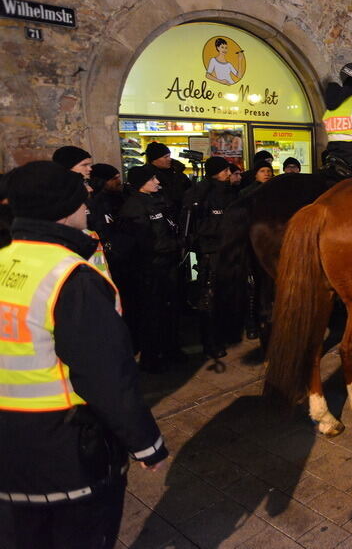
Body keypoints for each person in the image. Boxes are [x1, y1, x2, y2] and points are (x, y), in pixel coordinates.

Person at [0, 161, 168, 549]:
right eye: (81, 199)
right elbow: (107, 376)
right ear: (63, 209)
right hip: (64, 451)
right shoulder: (70, 277)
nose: (88, 205)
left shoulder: (7, 259)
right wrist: (146, 444)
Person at [117, 166, 183, 372]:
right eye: (152, 179)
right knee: (152, 314)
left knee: (170, 310)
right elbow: (143, 242)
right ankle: (152, 358)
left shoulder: (159, 201)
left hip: (167, 265)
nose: (157, 182)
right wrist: (175, 245)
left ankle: (171, 350)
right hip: (150, 268)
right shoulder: (134, 207)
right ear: (141, 183)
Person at [182, 157, 239, 359]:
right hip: (209, 252)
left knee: (225, 296)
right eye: (225, 170)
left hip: (227, 250)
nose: (228, 173)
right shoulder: (201, 193)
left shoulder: (228, 191)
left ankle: (224, 335)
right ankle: (211, 342)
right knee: (209, 298)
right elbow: (198, 225)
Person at [131, 142, 190, 214]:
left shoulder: (174, 170)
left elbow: (188, 188)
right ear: (154, 159)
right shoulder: (146, 176)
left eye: (169, 156)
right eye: (165, 157)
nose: (169, 159)